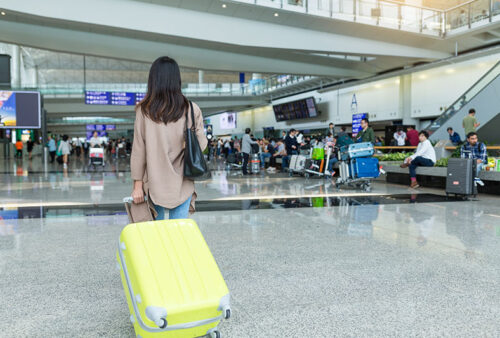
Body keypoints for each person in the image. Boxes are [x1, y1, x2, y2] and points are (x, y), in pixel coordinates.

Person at [131, 56, 207, 220]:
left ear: (153, 80)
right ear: (176, 79)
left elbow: (139, 150)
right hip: (182, 181)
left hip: (153, 182)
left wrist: (137, 185)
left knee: (155, 234)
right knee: (178, 233)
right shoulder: (191, 109)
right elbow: (201, 144)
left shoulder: (144, 111)